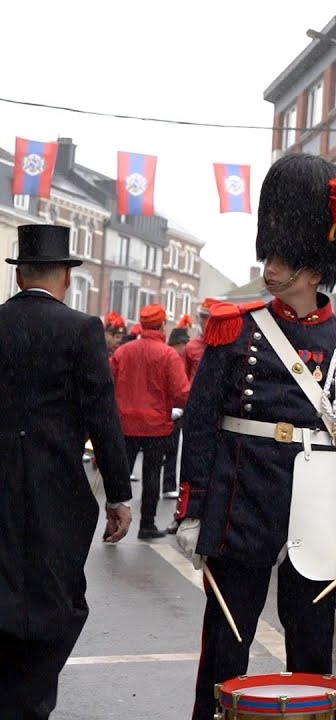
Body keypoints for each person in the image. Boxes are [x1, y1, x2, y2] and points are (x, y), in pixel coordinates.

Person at [174, 154, 336, 720]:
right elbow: (200, 424)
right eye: (269, 253)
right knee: (225, 646)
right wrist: (191, 508)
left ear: (316, 269)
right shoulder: (233, 329)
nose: (270, 266)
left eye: (284, 258)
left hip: (314, 510)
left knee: (313, 651)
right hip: (242, 501)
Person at [0, 224, 133, 719]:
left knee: (7, 590)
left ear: (20, 276)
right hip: (55, 485)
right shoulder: (80, 329)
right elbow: (103, 415)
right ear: (64, 275)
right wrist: (118, 494)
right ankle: (28, 701)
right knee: (57, 598)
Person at [111, 303, 191, 539]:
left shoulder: (123, 352)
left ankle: (114, 520)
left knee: (120, 474)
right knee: (152, 476)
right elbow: (181, 393)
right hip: (156, 426)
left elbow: (108, 383)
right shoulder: (168, 355)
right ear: (162, 324)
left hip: (125, 423)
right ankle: (147, 524)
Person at [161, 319, 193, 500]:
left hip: (173, 409)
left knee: (170, 452)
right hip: (166, 409)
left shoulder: (180, 358)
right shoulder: (170, 357)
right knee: (165, 453)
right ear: (178, 344)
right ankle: (166, 484)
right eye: (184, 344)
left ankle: (167, 484)